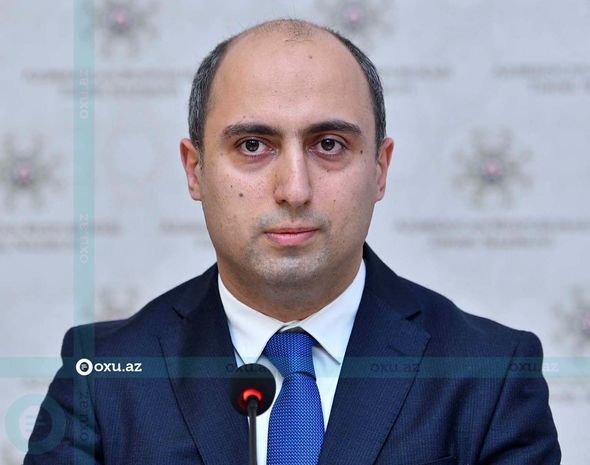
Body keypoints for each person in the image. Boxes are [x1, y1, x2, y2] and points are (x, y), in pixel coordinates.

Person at [25, 19, 560, 465]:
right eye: (252, 145)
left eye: (329, 144)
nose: (295, 190)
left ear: (379, 169)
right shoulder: (103, 376)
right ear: (195, 170)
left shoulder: (490, 373)